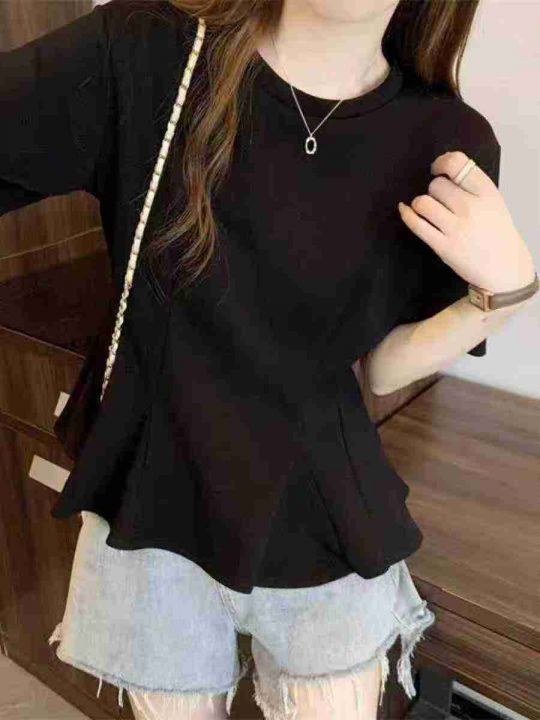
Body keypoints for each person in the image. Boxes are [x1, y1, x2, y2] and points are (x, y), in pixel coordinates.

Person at [1, 0, 537, 718]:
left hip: (322, 519)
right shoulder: (147, 50)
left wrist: (502, 297)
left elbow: (381, 368)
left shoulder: (448, 143)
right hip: (154, 511)